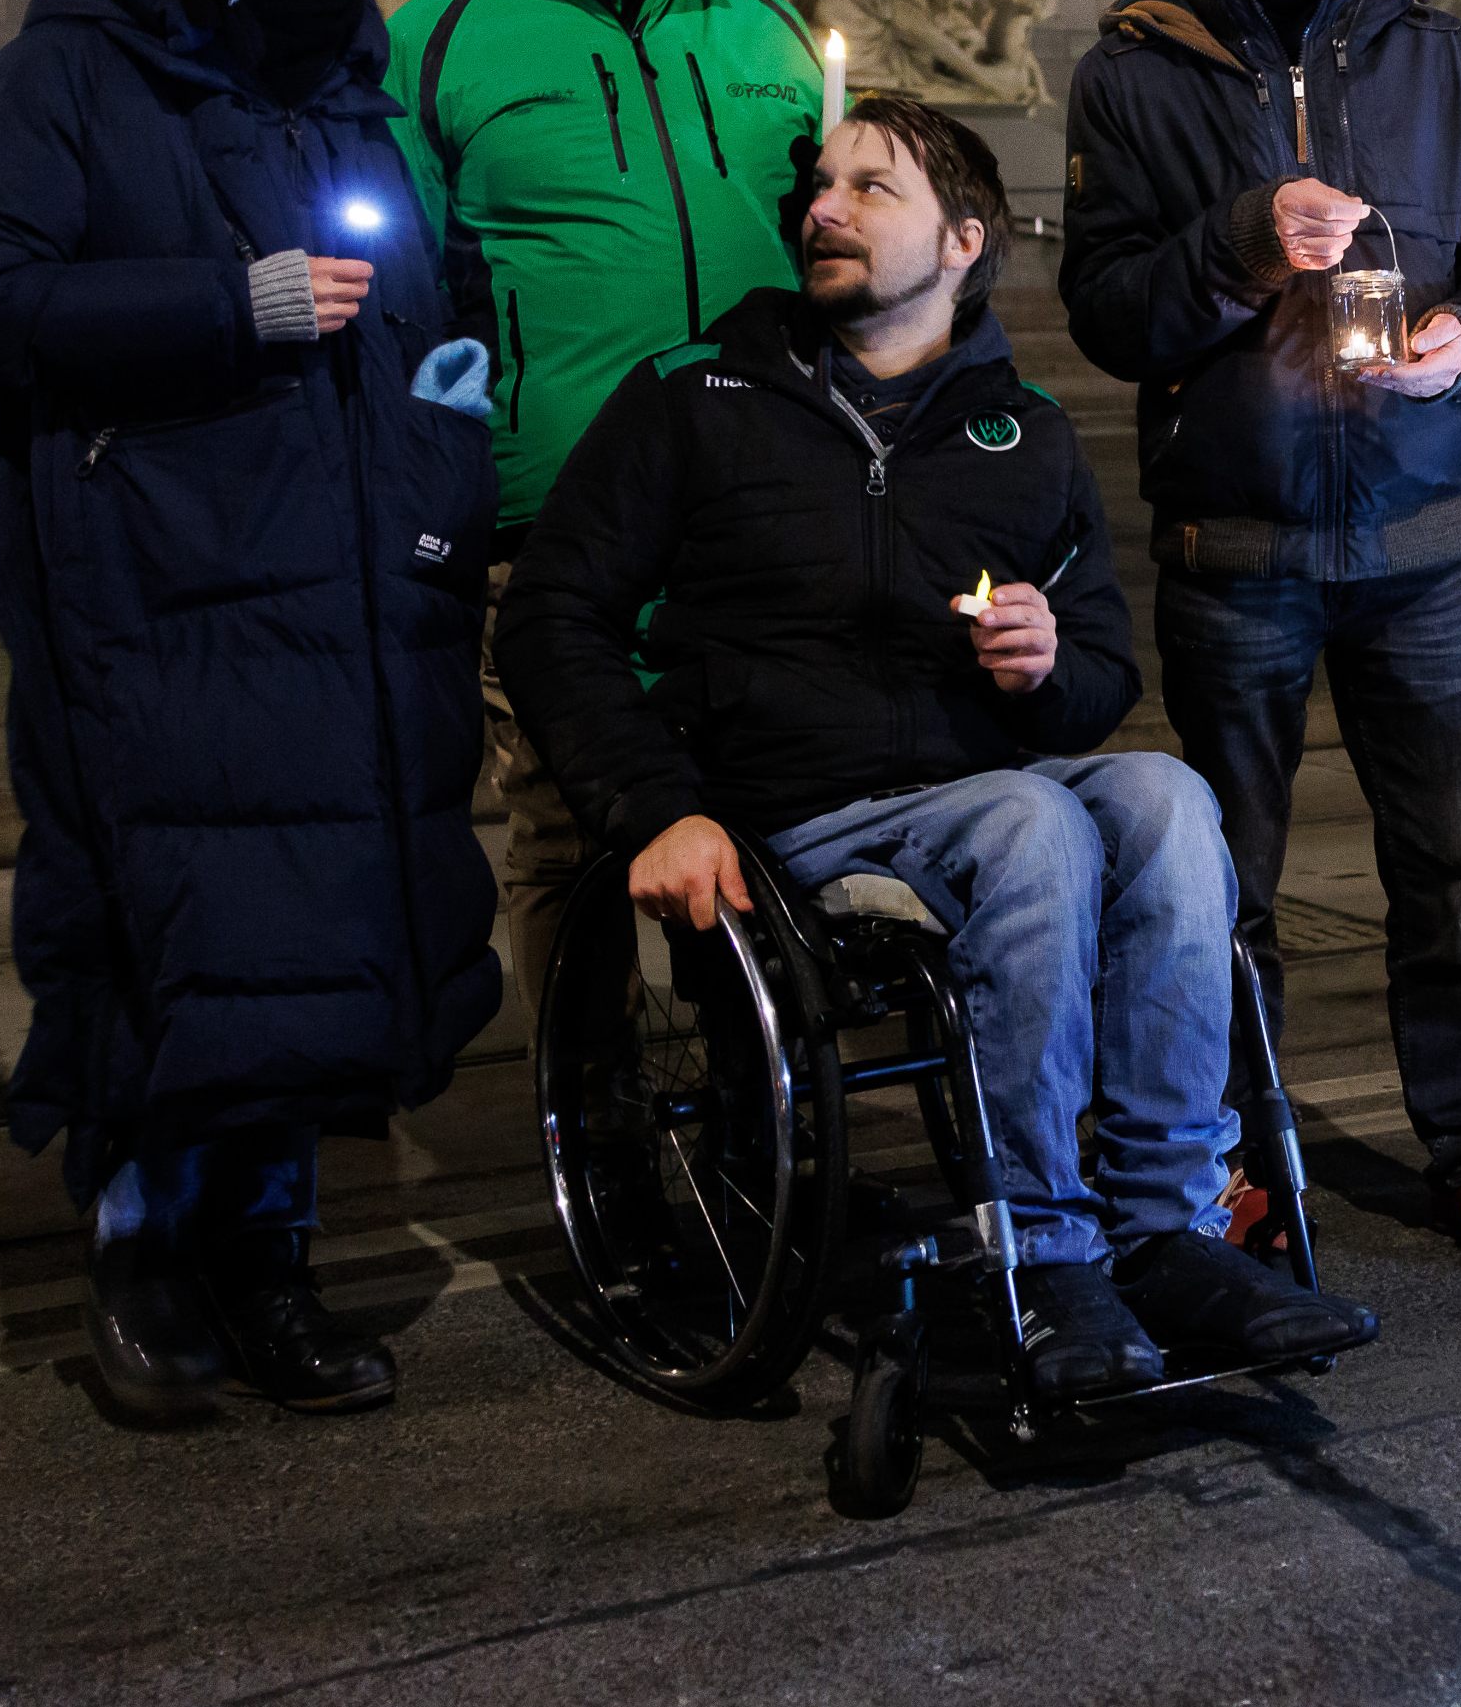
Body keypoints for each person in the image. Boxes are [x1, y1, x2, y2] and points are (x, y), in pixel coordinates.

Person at [497, 97, 1374, 1392]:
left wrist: (1042, 663)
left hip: (975, 781)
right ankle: (1044, 1246)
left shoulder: (1016, 431)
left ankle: (1170, 1224)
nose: (823, 209)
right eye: (822, 186)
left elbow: (1095, 685)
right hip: (794, 802)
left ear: (963, 239)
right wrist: (652, 805)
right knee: (1034, 822)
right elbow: (552, 617)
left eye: (872, 188)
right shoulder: (697, 398)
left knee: (1169, 794)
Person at [0, 0, 501, 1422]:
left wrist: (442, 431)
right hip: (162, 584)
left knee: (312, 937)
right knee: (179, 928)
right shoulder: (76, 70)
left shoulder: (337, 67)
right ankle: (145, 1262)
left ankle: (274, 1261)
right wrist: (221, 305)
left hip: (345, 583)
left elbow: (412, 290)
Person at [1056, 0, 1461, 1273]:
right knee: (1226, 889)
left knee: (1450, 877)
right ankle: (1234, 1159)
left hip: (1426, 542)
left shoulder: (1434, 49)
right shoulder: (1129, 69)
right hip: (1240, 545)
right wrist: (1239, 241)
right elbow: (1102, 310)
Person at [389, 0, 826, 1019]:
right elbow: (405, 291)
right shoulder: (437, 39)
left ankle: (751, 1104)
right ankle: (596, 1106)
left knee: (756, 805)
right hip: (555, 507)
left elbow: (833, 244)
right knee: (567, 826)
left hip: (755, 496)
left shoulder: (760, 20)